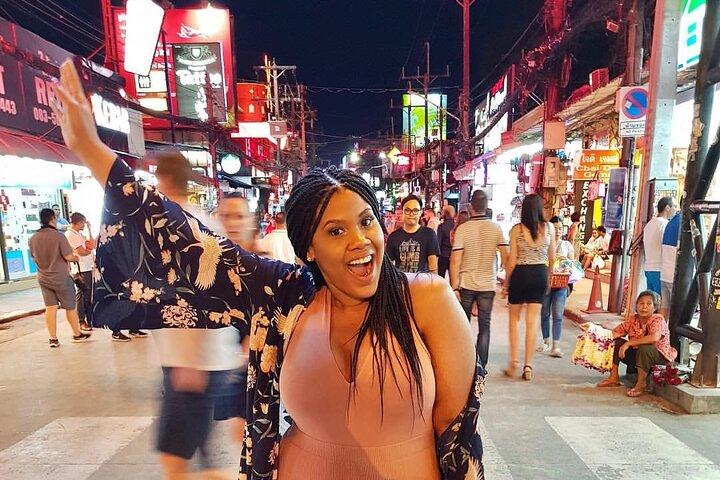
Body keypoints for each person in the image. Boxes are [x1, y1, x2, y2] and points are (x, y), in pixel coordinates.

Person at [52, 58, 485, 479]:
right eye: (335, 231)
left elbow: (457, 435)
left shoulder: (428, 299)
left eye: (366, 221)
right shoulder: (284, 298)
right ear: (308, 249)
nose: (359, 240)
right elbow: (186, 243)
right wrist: (91, 150)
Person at [450, 190, 509, 369]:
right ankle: (481, 365)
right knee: (485, 326)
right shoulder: (496, 228)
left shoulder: (463, 229)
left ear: (470, 207)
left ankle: (464, 361)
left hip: (466, 284)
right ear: (486, 207)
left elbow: (455, 261)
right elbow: (506, 257)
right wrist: (504, 279)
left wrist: (454, 287)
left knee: (463, 325)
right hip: (487, 285)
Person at [503, 194, 556, 381]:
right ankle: (528, 365)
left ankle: (513, 363)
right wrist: (548, 278)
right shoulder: (550, 228)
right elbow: (552, 258)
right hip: (539, 274)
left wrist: (506, 283)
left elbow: (512, 261)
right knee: (532, 322)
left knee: (514, 320)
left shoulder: (516, 230)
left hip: (520, 275)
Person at [28, 208, 91, 347]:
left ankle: (53, 338)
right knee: (70, 307)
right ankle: (77, 334)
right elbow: (68, 256)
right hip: (61, 277)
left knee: (50, 308)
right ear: (52, 219)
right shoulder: (59, 236)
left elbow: (34, 258)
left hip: (43, 278)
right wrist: (75, 257)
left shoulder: (33, 238)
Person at [595, 291, 678, 397]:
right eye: (641, 303)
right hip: (638, 355)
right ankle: (613, 377)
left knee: (644, 348)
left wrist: (629, 343)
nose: (644, 307)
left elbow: (654, 338)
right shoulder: (633, 319)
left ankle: (641, 384)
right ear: (637, 305)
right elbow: (616, 333)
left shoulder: (658, 320)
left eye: (649, 304)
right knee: (615, 342)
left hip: (659, 356)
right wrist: (595, 334)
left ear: (654, 307)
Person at [537, 216, 574, 358]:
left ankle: (556, 346)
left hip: (561, 284)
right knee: (545, 313)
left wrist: (565, 260)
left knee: (558, 315)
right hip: (546, 283)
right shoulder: (543, 244)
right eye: (555, 228)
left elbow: (573, 265)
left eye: (560, 228)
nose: (558, 231)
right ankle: (546, 341)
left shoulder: (567, 245)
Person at [386, 195, 440, 274]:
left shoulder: (429, 234)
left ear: (420, 212)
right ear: (402, 212)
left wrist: (434, 281)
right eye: (407, 210)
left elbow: (433, 267)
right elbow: (388, 266)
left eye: (415, 210)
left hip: (423, 280)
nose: (411, 214)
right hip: (401, 280)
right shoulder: (393, 237)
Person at [65, 212, 95, 332]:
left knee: (87, 294)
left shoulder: (79, 234)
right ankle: (81, 320)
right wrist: (89, 250)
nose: (84, 225)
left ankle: (89, 318)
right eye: (83, 223)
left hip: (87, 267)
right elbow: (82, 252)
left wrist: (89, 230)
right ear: (79, 222)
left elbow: (91, 244)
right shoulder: (71, 235)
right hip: (80, 269)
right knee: (82, 294)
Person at [643, 197, 676, 295]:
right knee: (660, 301)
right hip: (659, 269)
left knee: (652, 300)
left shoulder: (650, 224)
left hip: (649, 268)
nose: (675, 210)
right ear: (667, 208)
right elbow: (666, 247)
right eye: (674, 207)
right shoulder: (665, 224)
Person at [660, 212, 681, 319]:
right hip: (675, 276)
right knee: (677, 310)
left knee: (664, 307)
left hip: (664, 273)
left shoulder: (671, 222)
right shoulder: (683, 222)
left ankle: (660, 328)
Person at [436, 205, 456, 278]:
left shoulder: (442, 227)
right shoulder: (456, 226)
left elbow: (438, 242)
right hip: (454, 255)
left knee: (440, 278)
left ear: (445, 213)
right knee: (453, 278)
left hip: (443, 255)